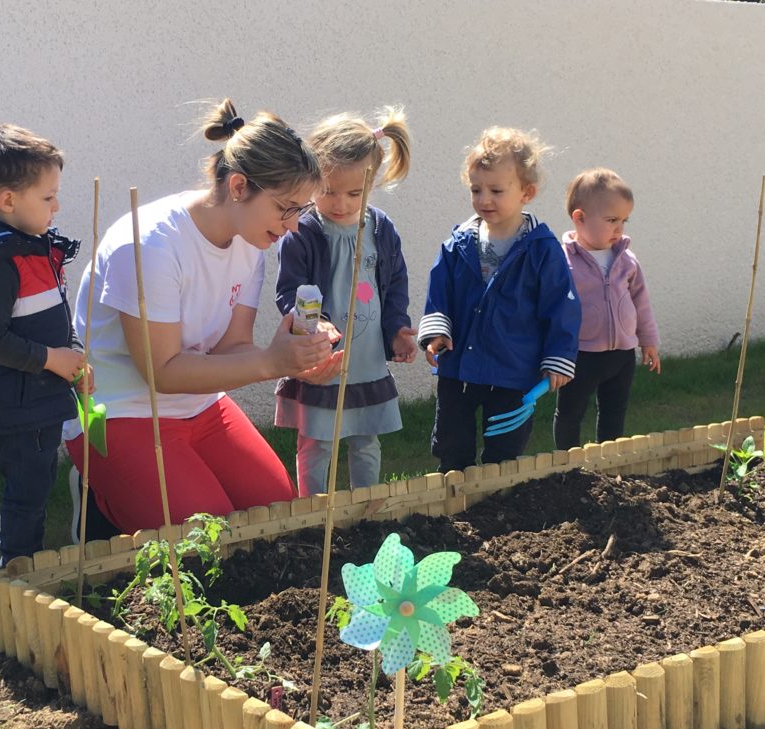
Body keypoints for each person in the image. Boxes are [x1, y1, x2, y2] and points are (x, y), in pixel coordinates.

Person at [64, 99, 340, 534]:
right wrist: (272, 362)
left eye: (300, 210)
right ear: (237, 187)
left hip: (201, 406)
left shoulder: (251, 241)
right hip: (121, 411)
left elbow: (232, 349)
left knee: (281, 516)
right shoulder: (151, 245)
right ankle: (98, 503)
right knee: (204, 537)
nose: (293, 226)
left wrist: (301, 359)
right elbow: (162, 373)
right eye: (287, 207)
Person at [0, 124, 89, 566]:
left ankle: (25, 564)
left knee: (37, 479)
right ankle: (19, 569)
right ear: (8, 200)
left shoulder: (31, 247)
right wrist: (53, 360)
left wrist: (74, 356)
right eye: (48, 197)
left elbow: (54, 314)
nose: (57, 205)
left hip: (36, 395)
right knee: (27, 488)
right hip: (11, 404)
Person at [418, 126, 580, 472]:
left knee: (504, 447)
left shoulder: (542, 249)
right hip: (459, 364)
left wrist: (558, 357)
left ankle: (496, 508)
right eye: (476, 190)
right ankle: (451, 500)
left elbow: (561, 305)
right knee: (452, 441)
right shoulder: (459, 242)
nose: (484, 199)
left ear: (527, 192)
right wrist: (436, 331)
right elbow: (439, 290)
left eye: (496, 190)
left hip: (513, 367)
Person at [274, 107, 417, 496]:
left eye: (354, 193)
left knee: (366, 439)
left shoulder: (380, 227)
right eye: (328, 191)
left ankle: (365, 509)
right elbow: (288, 290)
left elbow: (395, 283)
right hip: (324, 359)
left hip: (366, 358)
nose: (340, 203)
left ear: (372, 184)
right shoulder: (302, 231)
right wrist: (311, 322)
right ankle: (312, 511)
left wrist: (398, 330)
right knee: (317, 441)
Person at [553, 168, 660, 449]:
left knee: (614, 411)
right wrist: (551, 353)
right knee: (570, 413)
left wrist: (648, 340)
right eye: (612, 220)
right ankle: (567, 466)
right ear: (580, 218)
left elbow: (641, 302)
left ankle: (609, 465)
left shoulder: (626, 260)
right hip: (581, 355)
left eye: (624, 220)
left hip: (622, 354)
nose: (619, 229)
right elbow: (552, 311)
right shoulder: (561, 262)